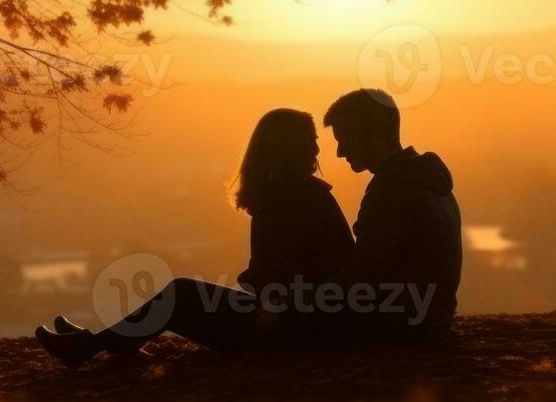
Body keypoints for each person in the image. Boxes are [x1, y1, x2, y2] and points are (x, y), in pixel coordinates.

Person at [35, 108, 355, 366]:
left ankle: (92, 345)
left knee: (180, 293)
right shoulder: (286, 195)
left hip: (292, 324)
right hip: (281, 315)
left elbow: (339, 265)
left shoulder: (307, 196)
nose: (316, 148)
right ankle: (103, 344)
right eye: (310, 139)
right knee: (182, 294)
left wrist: (280, 303)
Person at [322, 88, 462, 340]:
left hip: (399, 326)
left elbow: (362, 275)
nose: (340, 152)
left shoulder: (393, 189)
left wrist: (293, 304)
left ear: (375, 137)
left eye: (345, 140)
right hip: (433, 318)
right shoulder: (426, 176)